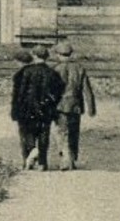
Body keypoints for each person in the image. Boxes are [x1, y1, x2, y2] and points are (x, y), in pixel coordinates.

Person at [10, 46, 64, 170]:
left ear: (34, 55)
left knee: (26, 133)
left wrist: (15, 109)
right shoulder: (53, 73)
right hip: (46, 108)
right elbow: (58, 91)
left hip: (27, 108)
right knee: (44, 134)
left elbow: (19, 93)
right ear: (47, 57)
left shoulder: (25, 72)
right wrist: (51, 103)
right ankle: (42, 163)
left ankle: (29, 156)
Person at [50, 40, 98, 170]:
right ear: (70, 54)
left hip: (60, 106)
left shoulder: (56, 69)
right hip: (76, 106)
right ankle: (72, 158)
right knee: (74, 132)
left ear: (59, 54)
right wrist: (91, 108)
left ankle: (66, 159)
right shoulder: (80, 68)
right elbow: (87, 90)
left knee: (61, 132)